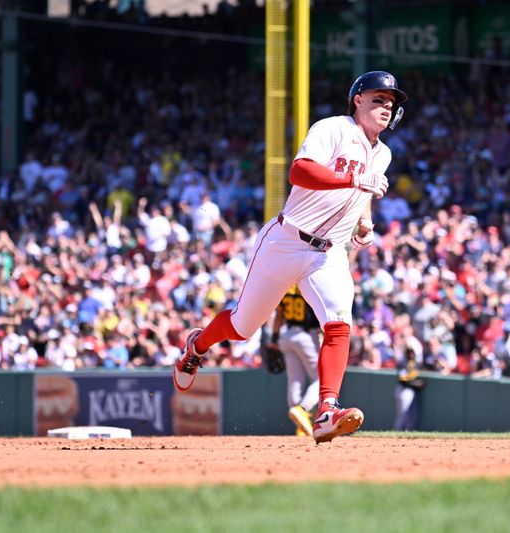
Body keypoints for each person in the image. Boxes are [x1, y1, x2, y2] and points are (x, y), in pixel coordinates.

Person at [173, 70, 408, 443]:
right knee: (242, 326)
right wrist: (352, 181)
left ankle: (326, 410)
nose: (385, 106)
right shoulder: (333, 129)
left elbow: (362, 195)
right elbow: (300, 172)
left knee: (339, 322)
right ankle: (196, 346)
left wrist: (364, 223)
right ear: (357, 101)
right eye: (378, 99)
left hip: (328, 252)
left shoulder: (384, 153)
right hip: (285, 239)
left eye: (390, 103)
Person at [269, 285, 321, 437]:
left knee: (295, 381)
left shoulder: (285, 286)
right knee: (322, 379)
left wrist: (274, 339)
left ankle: (300, 425)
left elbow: (279, 316)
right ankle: (303, 409)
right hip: (306, 335)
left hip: (286, 335)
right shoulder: (308, 285)